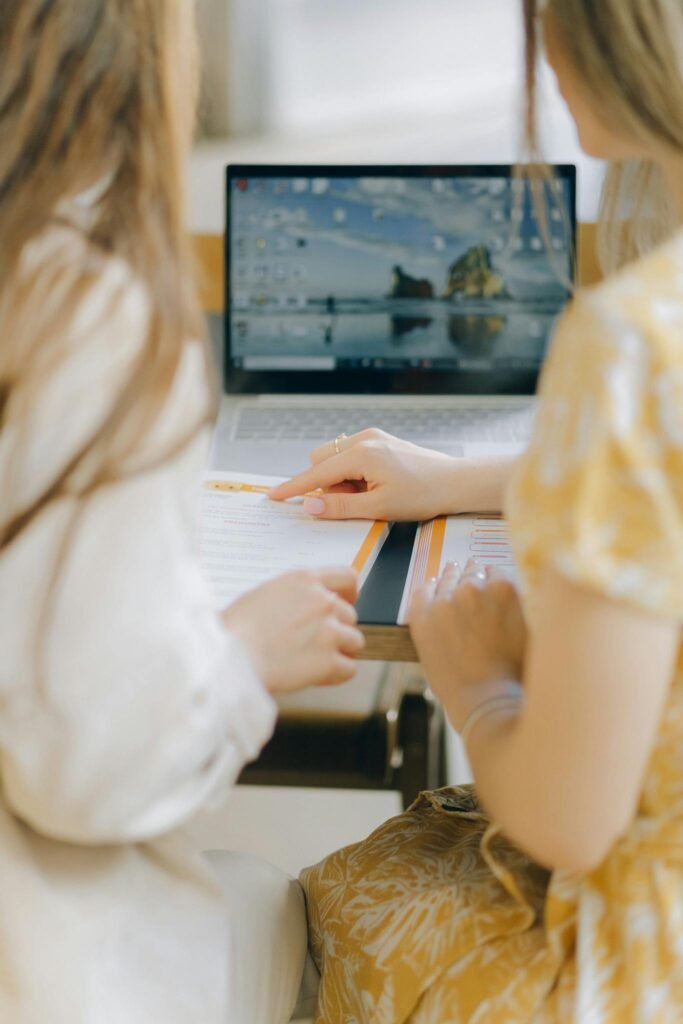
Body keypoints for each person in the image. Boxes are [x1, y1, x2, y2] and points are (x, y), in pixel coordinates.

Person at [269, 0, 683, 1018]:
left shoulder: (635, 340)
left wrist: (479, 686)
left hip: (626, 964)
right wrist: (453, 475)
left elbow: (567, 822)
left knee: (338, 891)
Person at [0, 3, 364, 1022]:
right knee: (288, 906)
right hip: (39, 964)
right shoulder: (84, 316)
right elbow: (88, 769)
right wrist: (244, 650)